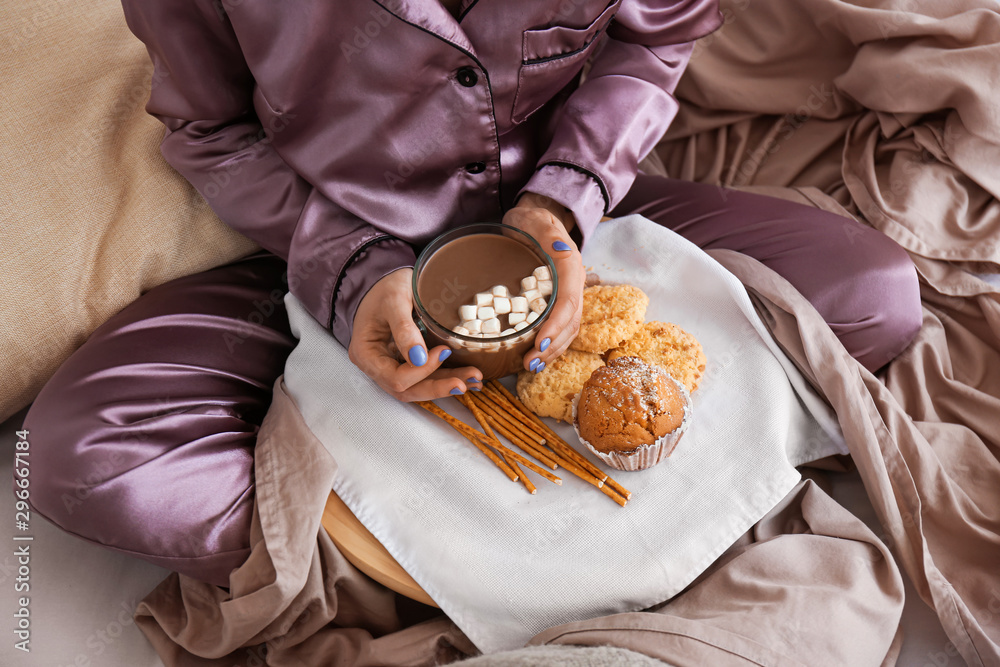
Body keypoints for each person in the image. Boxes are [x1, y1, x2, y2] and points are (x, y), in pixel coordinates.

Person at [21, 0, 921, 586]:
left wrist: (564, 201)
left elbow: (657, 39)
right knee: (86, 457)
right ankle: (449, 556)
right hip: (320, 247)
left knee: (873, 298)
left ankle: (492, 550)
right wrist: (350, 267)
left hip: (581, 219)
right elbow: (210, 131)